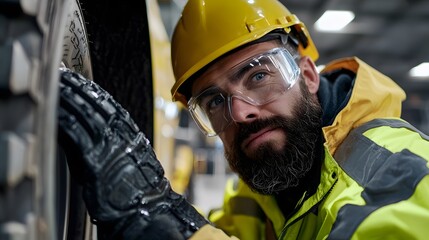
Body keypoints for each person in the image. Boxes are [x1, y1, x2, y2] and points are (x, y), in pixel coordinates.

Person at [59, 0, 429, 239]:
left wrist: (161, 219)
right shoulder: (259, 194)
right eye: (215, 101)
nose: (240, 112)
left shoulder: (400, 174)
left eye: (257, 76)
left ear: (308, 75)